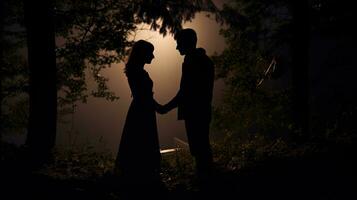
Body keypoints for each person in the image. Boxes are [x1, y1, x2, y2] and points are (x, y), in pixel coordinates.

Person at [161, 28, 215, 181]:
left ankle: (206, 182)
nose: (177, 47)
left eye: (179, 43)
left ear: (186, 43)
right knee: (201, 147)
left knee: (199, 149)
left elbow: (185, 92)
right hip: (202, 111)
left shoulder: (192, 62)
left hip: (195, 112)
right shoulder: (203, 60)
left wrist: (166, 108)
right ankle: (207, 180)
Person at [114, 40, 164, 186]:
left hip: (141, 109)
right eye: (151, 53)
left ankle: (137, 176)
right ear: (143, 54)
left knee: (137, 141)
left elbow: (144, 96)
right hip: (142, 111)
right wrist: (159, 107)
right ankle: (142, 178)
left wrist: (157, 107)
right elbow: (144, 96)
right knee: (142, 140)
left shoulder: (135, 70)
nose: (153, 57)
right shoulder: (137, 72)